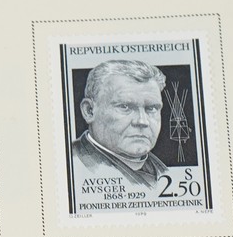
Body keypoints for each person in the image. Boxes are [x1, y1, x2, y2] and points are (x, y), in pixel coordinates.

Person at [71, 59, 167, 188]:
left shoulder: (163, 172)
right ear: (89, 111)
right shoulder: (69, 162)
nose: (142, 121)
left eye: (152, 108)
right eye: (125, 106)